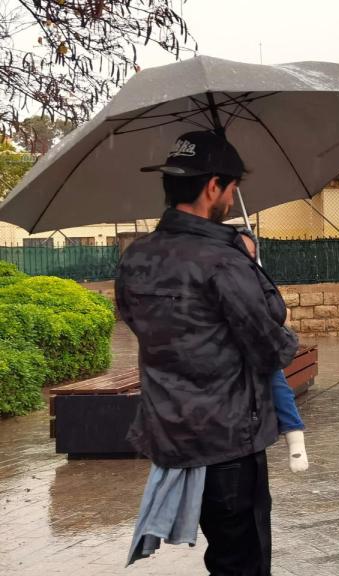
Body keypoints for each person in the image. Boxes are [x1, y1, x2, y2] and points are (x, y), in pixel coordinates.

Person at [117, 130, 298, 575]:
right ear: (214, 187)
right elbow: (271, 344)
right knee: (243, 562)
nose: (233, 198)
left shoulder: (135, 257)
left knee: (224, 557)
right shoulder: (223, 261)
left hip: (171, 437)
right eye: (233, 189)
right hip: (228, 443)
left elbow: (137, 322)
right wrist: (253, 269)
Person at [237, 228, 308, 473]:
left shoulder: (259, 278)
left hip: (259, 346)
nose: (248, 256)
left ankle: (295, 436)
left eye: (252, 252)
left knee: (275, 378)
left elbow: (278, 313)